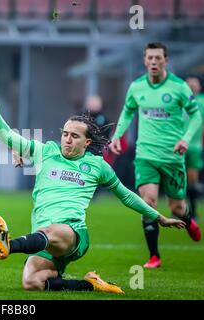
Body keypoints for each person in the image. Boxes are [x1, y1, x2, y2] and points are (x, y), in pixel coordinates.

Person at [0, 85, 185, 293]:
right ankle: (90, 284)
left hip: (72, 233)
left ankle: (9, 245)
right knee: (32, 283)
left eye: (74, 136)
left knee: (49, 231)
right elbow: (5, 135)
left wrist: (158, 217)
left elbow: (126, 196)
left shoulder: (97, 165)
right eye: (65, 134)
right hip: (43, 240)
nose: (67, 139)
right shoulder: (46, 152)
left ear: (86, 142)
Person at [109, 42, 202, 269]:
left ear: (166, 61)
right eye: (149, 58)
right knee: (148, 202)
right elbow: (128, 110)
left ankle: (188, 219)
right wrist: (117, 135)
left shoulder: (179, 87)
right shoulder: (137, 87)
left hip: (172, 157)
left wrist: (185, 140)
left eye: (158, 58)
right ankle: (154, 256)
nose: (153, 62)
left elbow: (196, 116)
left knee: (176, 208)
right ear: (144, 60)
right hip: (145, 155)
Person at [185, 77, 204, 221]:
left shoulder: (202, 102)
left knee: (192, 179)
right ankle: (179, 210)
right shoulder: (179, 102)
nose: (192, 86)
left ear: (199, 87)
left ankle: (193, 211)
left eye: (194, 84)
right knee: (177, 180)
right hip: (177, 147)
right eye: (189, 84)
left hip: (195, 147)